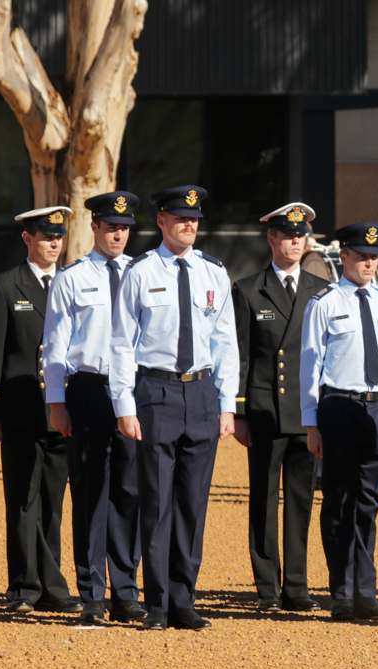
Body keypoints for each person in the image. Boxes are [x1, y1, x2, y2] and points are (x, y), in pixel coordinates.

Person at [110, 185, 238, 631]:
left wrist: (226, 404)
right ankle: (159, 604)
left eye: (195, 218)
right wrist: (123, 405)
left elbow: (225, 342)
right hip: (156, 392)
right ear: (161, 221)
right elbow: (122, 343)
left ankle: (185, 599)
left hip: (201, 394)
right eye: (180, 217)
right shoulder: (142, 271)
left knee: (192, 503)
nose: (189, 224)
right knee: (157, 501)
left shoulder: (214, 273)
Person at [43, 192, 145, 624]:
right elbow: (54, 344)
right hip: (87, 390)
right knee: (88, 494)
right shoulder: (72, 277)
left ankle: (125, 592)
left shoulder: (143, 273)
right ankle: (91, 595)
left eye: (124, 227)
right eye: (110, 226)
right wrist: (56, 402)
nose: (118, 234)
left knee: (130, 492)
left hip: (136, 394)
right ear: (96, 228)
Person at [0, 207, 81, 616]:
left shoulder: (73, 284)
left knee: (54, 503)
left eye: (58, 237)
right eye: (45, 236)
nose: (54, 243)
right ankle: (23, 586)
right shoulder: (5, 286)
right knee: (23, 500)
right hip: (21, 410)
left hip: (62, 412)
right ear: (27, 239)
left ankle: (51, 587)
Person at [231, 203, 330, 613]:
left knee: (302, 498)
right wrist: (238, 412)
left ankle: (297, 587)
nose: (295, 241)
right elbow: (239, 355)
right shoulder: (248, 289)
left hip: (305, 412)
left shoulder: (321, 290)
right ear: (271, 239)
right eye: (287, 235)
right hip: (265, 410)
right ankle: (267, 589)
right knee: (264, 498)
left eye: (300, 235)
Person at [301, 222, 378, 622]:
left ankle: (366, 592)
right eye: (361, 256)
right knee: (340, 500)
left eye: (374, 257)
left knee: (369, 503)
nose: (368, 263)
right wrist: (311, 423)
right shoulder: (324, 302)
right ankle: (341, 593)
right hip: (338, 406)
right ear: (343, 256)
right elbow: (310, 364)